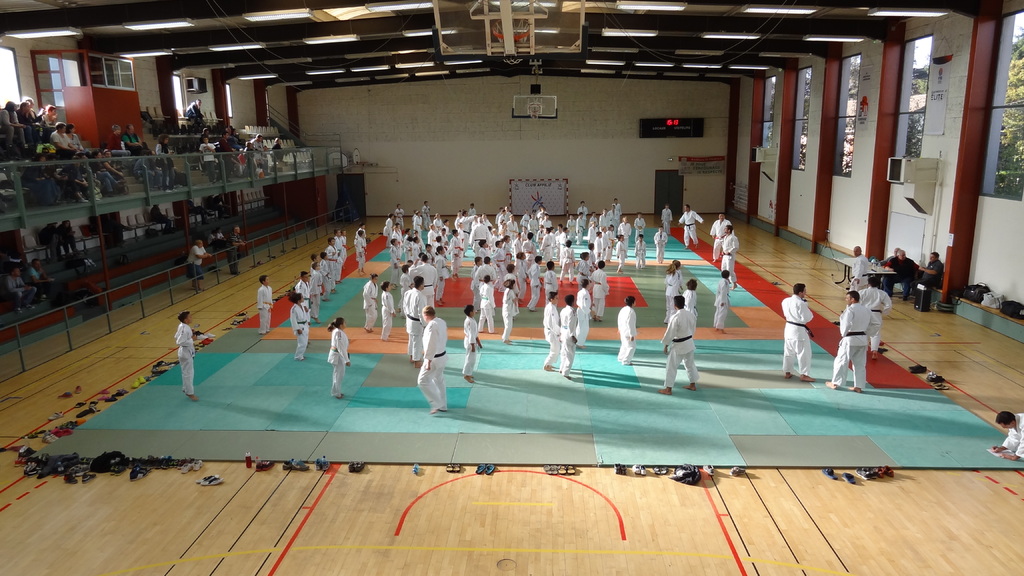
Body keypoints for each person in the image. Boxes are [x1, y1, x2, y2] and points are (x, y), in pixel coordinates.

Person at [826, 291, 877, 393]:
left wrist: (844, 334)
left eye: (847, 298)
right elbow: (876, 323)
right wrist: (867, 333)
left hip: (850, 339)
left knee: (841, 361)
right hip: (862, 339)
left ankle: (835, 383)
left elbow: (846, 324)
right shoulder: (867, 310)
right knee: (860, 363)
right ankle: (858, 386)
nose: (846, 300)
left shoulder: (850, 310)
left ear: (852, 299)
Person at [660, 294, 699, 394]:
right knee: (690, 364)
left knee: (671, 366)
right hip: (689, 342)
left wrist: (666, 345)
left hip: (679, 345)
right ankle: (693, 384)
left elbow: (670, 332)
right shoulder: (691, 315)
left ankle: (668, 389)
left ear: (674, 305)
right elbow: (693, 329)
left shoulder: (675, 317)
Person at [418, 306, 448, 414]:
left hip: (434, 359)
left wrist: (428, 360)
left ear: (426, 315)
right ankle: (443, 405)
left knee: (422, 381)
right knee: (438, 379)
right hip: (442, 356)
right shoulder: (441, 322)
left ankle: (436, 403)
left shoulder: (431, 326)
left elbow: (432, 343)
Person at [782, 283, 815, 382]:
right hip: (798, 331)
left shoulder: (785, 301)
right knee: (803, 353)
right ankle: (804, 374)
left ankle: (787, 372)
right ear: (800, 292)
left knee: (788, 351)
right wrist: (806, 305)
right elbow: (808, 317)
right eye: (805, 291)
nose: (805, 293)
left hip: (788, 328)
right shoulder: (801, 303)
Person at [860, 275, 892, 360]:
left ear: (868, 284)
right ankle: (874, 351)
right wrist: (883, 312)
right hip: (876, 313)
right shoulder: (882, 293)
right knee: (876, 333)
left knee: (863, 332)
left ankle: (863, 351)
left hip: (864, 313)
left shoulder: (862, 292)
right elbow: (888, 305)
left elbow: (856, 302)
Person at [175, 311, 199, 401]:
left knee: (186, 372)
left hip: (185, 351)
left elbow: (176, 336)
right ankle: (190, 393)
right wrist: (192, 339)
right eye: (190, 317)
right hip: (185, 352)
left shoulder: (182, 326)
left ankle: (186, 388)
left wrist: (190, 334)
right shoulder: (184, 328)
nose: (191, 318)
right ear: (185, 320)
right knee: (188, 373)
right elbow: (179, 342)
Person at [404, 276, 427, 367]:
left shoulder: (408, 292)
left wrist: (407, 316)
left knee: (411, 339)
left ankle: (411, 357)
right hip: (417, 322)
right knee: (417, 341)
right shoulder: (420, 296)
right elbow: (421, 312)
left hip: (409, 319)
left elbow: (405, 306)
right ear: (421, 285)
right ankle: (417, 361)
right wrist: (424, 324)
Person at [327, 318, 350, 399]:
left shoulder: (338, 331)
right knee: (338, 375)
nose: (345, 323)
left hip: (338, 355)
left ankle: (336, 391)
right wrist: (347, 360)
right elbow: (340, 348)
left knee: (338, 374)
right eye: (344, 322)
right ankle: (336, 393)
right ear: (341, 325)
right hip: (337, 356)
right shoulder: (338, 333)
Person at [558, 294, 579, 380]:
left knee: (564, 352)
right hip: (569, 334)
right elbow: (571, 324)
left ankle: (561, 368)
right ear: (573, 301)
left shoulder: (563, 310)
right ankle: (566, 373)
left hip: (563, 332)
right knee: (570, 355)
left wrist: (560, 334)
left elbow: (561, 323)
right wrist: (572, 335)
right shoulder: (572, 311)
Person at [463, 304, 482, 383]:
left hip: (472, 340)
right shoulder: (470, 321)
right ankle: (466, 375)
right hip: (470, 342)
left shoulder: (471, 319)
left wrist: (478, 342)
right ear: (470, 312)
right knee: (470, 359)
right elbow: (471, 334)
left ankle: (469, 373)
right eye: (474, 310)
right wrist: (473, 345)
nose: (475, 311)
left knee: (472, 359)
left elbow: (474, 333)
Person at [542, 291, 561, 372]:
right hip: (552, 332)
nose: (558, 300)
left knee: (554, 349)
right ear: (551, 299)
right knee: (555, 350)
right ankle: (547, 365)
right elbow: (552, 323)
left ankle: (549, 364)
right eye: (556, 298)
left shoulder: (551, 307)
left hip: (551, 331)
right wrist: (559, 333)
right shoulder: (551, 308)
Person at [289, 292, 310, 361]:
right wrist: (297, 329)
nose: (303, 298)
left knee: (305, 342)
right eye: (302, 297)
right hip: (300, 326)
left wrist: (307, 321)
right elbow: (293, 320)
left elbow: (304, 315)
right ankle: (298, 356)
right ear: (298, 299)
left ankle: (301, 354)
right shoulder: (294, 309)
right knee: (302, 343)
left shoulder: (302, 306)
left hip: (305, 325)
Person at [617, 295, 638, 365]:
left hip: (622, 330)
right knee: (632, 347)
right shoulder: (631, 312)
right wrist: (632, 334)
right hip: (627, 332)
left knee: (624, 345)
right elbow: (630, 324)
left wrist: (619, 328)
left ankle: (621, 357)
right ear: (633, 302)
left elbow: (619, 319)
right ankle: (626, 361)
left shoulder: (623, 309)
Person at [575, 278, 592, 348]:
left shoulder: (580, 292)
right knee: (584, 328)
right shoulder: (585, 293)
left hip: (581, 310)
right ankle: (579, 343)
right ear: (587, 285)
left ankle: (577, 341)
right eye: (589, 283)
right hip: (583, 311)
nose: (590, 284)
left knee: (580, 327)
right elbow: (583, 305)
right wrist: (590, 311)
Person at [501, 278, 519, 344]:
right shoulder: (510, 291)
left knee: (507, 325)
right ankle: (505, 339)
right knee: (508, 326)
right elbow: (506, 301)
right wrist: (514, 300)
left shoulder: (508, 290)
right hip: (508, 310)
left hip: (507, 309)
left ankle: (505, 337)